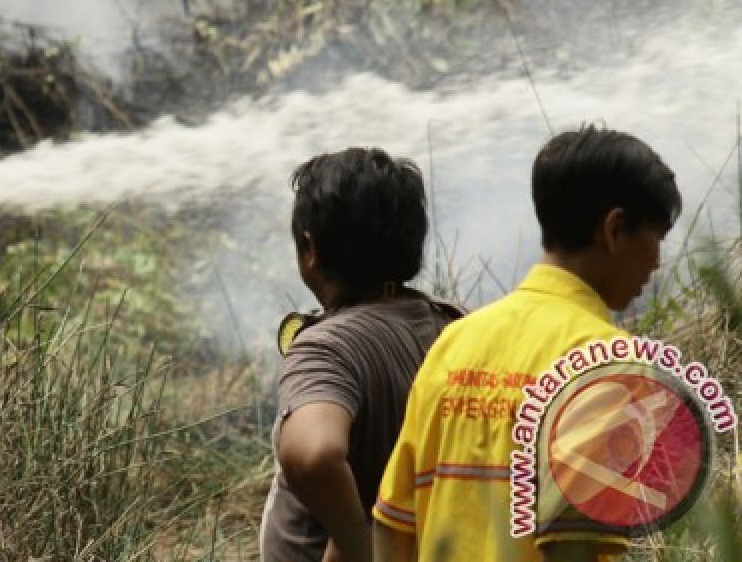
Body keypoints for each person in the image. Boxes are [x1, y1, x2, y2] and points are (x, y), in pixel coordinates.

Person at [373, 125, 682, 561]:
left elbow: (392, 526)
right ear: (614, 230)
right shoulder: (611, 363)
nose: (657, 262)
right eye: (657, 238)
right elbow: (573, 546)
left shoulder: (456, 341)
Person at [259, 148, 463, 562]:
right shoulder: (457, 325)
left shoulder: (326, 348)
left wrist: (358, 544)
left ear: (310, 248)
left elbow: (313, 455)